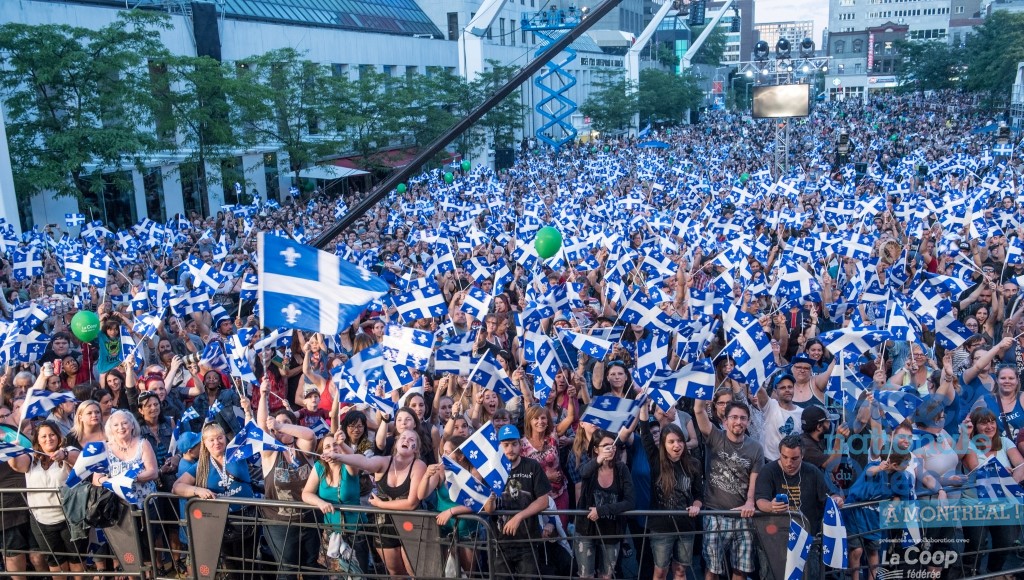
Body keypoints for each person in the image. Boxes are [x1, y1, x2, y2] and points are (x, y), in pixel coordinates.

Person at [324, 429, 427, 577]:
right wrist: (340, 454)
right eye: (403, 437)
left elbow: (411, 503)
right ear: (396, 442)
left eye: (412, 440)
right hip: (384, 525)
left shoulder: (419, 465)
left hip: (410, 525)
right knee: (396, 572)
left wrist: (381, 505)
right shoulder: (384, 461)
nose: (406, 441)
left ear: (416, 448)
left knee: (414, 571)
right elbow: (364, 462)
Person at [171, 422, 257, 580]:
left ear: (226, 438)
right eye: (211, 439)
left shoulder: (237, 454)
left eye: (220, 437)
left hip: (246, 518)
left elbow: (252, 432)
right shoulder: (201, 465)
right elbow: (177, 487)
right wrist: (197, 490)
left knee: (249, 565)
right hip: (219, 522)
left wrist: (247, 411)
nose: (216, 442)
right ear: (204, 442)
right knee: (230, 567)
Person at [255, 376, 320, 579]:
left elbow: (309, 435)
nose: (279, 426)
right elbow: (261, 428)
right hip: (279, 522)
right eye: (277, 423)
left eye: (286, 423)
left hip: (310, 518)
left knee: (310, 565)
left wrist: (281, 425)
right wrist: (264, 395)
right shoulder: (270, 453)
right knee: (288, 568)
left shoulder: (304, 450)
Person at [754, 434, 844, 579]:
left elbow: (830, 494)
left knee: (810, 576)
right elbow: (760, 501)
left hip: (807, 540)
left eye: (794, 458)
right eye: (784, 457)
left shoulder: (813, 471)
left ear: (802, 455)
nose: (789, 462)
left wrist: (837, 500)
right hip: (774, 541)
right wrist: (771, 506)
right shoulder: (768, 471)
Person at [6, 420, 86, 580]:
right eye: (43, 436)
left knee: (76, 560)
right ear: (37, 439)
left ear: (58, 436)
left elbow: (78, 459)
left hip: (68, 518)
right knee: (56, 563)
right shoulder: (31, 456)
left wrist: (63, 455)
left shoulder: (67, 450)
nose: (48, 439)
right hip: (42, 521)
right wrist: (12, 452)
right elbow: (17, 466)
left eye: (52, 435)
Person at [692, 399, 762, 580]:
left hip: (743, 517)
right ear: (725, 421)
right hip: (716, 514)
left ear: (748, 422)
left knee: (741, 570)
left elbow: (754, 481)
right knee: (713, 569)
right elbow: (698, 411)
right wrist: (701, 391)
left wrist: (749, 502)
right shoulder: (715, 436)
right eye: (734, 417)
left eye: (743, 418)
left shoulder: (756, 448)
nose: (739, 421)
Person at [301, 431, 371, 576]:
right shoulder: (319, 467)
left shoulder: (349, 465)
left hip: (355, 531)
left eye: (335, 445)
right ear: (322, 452)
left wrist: (342, 446)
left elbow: (357, 458)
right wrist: (319, 502)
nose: (332, 449)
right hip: (331, 533)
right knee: (335, 575)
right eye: (327, 447)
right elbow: (306, 493)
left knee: (358, 576)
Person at [573, 429, 634, 580]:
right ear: (595, 449)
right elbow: (583, 473)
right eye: (605, 445)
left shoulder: (621, 469)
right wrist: (599, 459)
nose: (610, 448)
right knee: (586, 576)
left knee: (606, 576)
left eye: (613, 445)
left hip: (611, 531)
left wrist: (602, 510)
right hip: (587, 530)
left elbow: (630, 501)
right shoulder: (590, 467)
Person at [493, 424, 552, 580]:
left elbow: (544, 500)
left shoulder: (532, 466)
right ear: (500, 446)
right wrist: (490, 497)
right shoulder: (493, 470)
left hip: (528, 541)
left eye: (514, 444)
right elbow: (488, 508)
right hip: (500, 542)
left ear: (520, 445)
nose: (510, 448)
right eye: (506, 445)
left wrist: (518, 517)